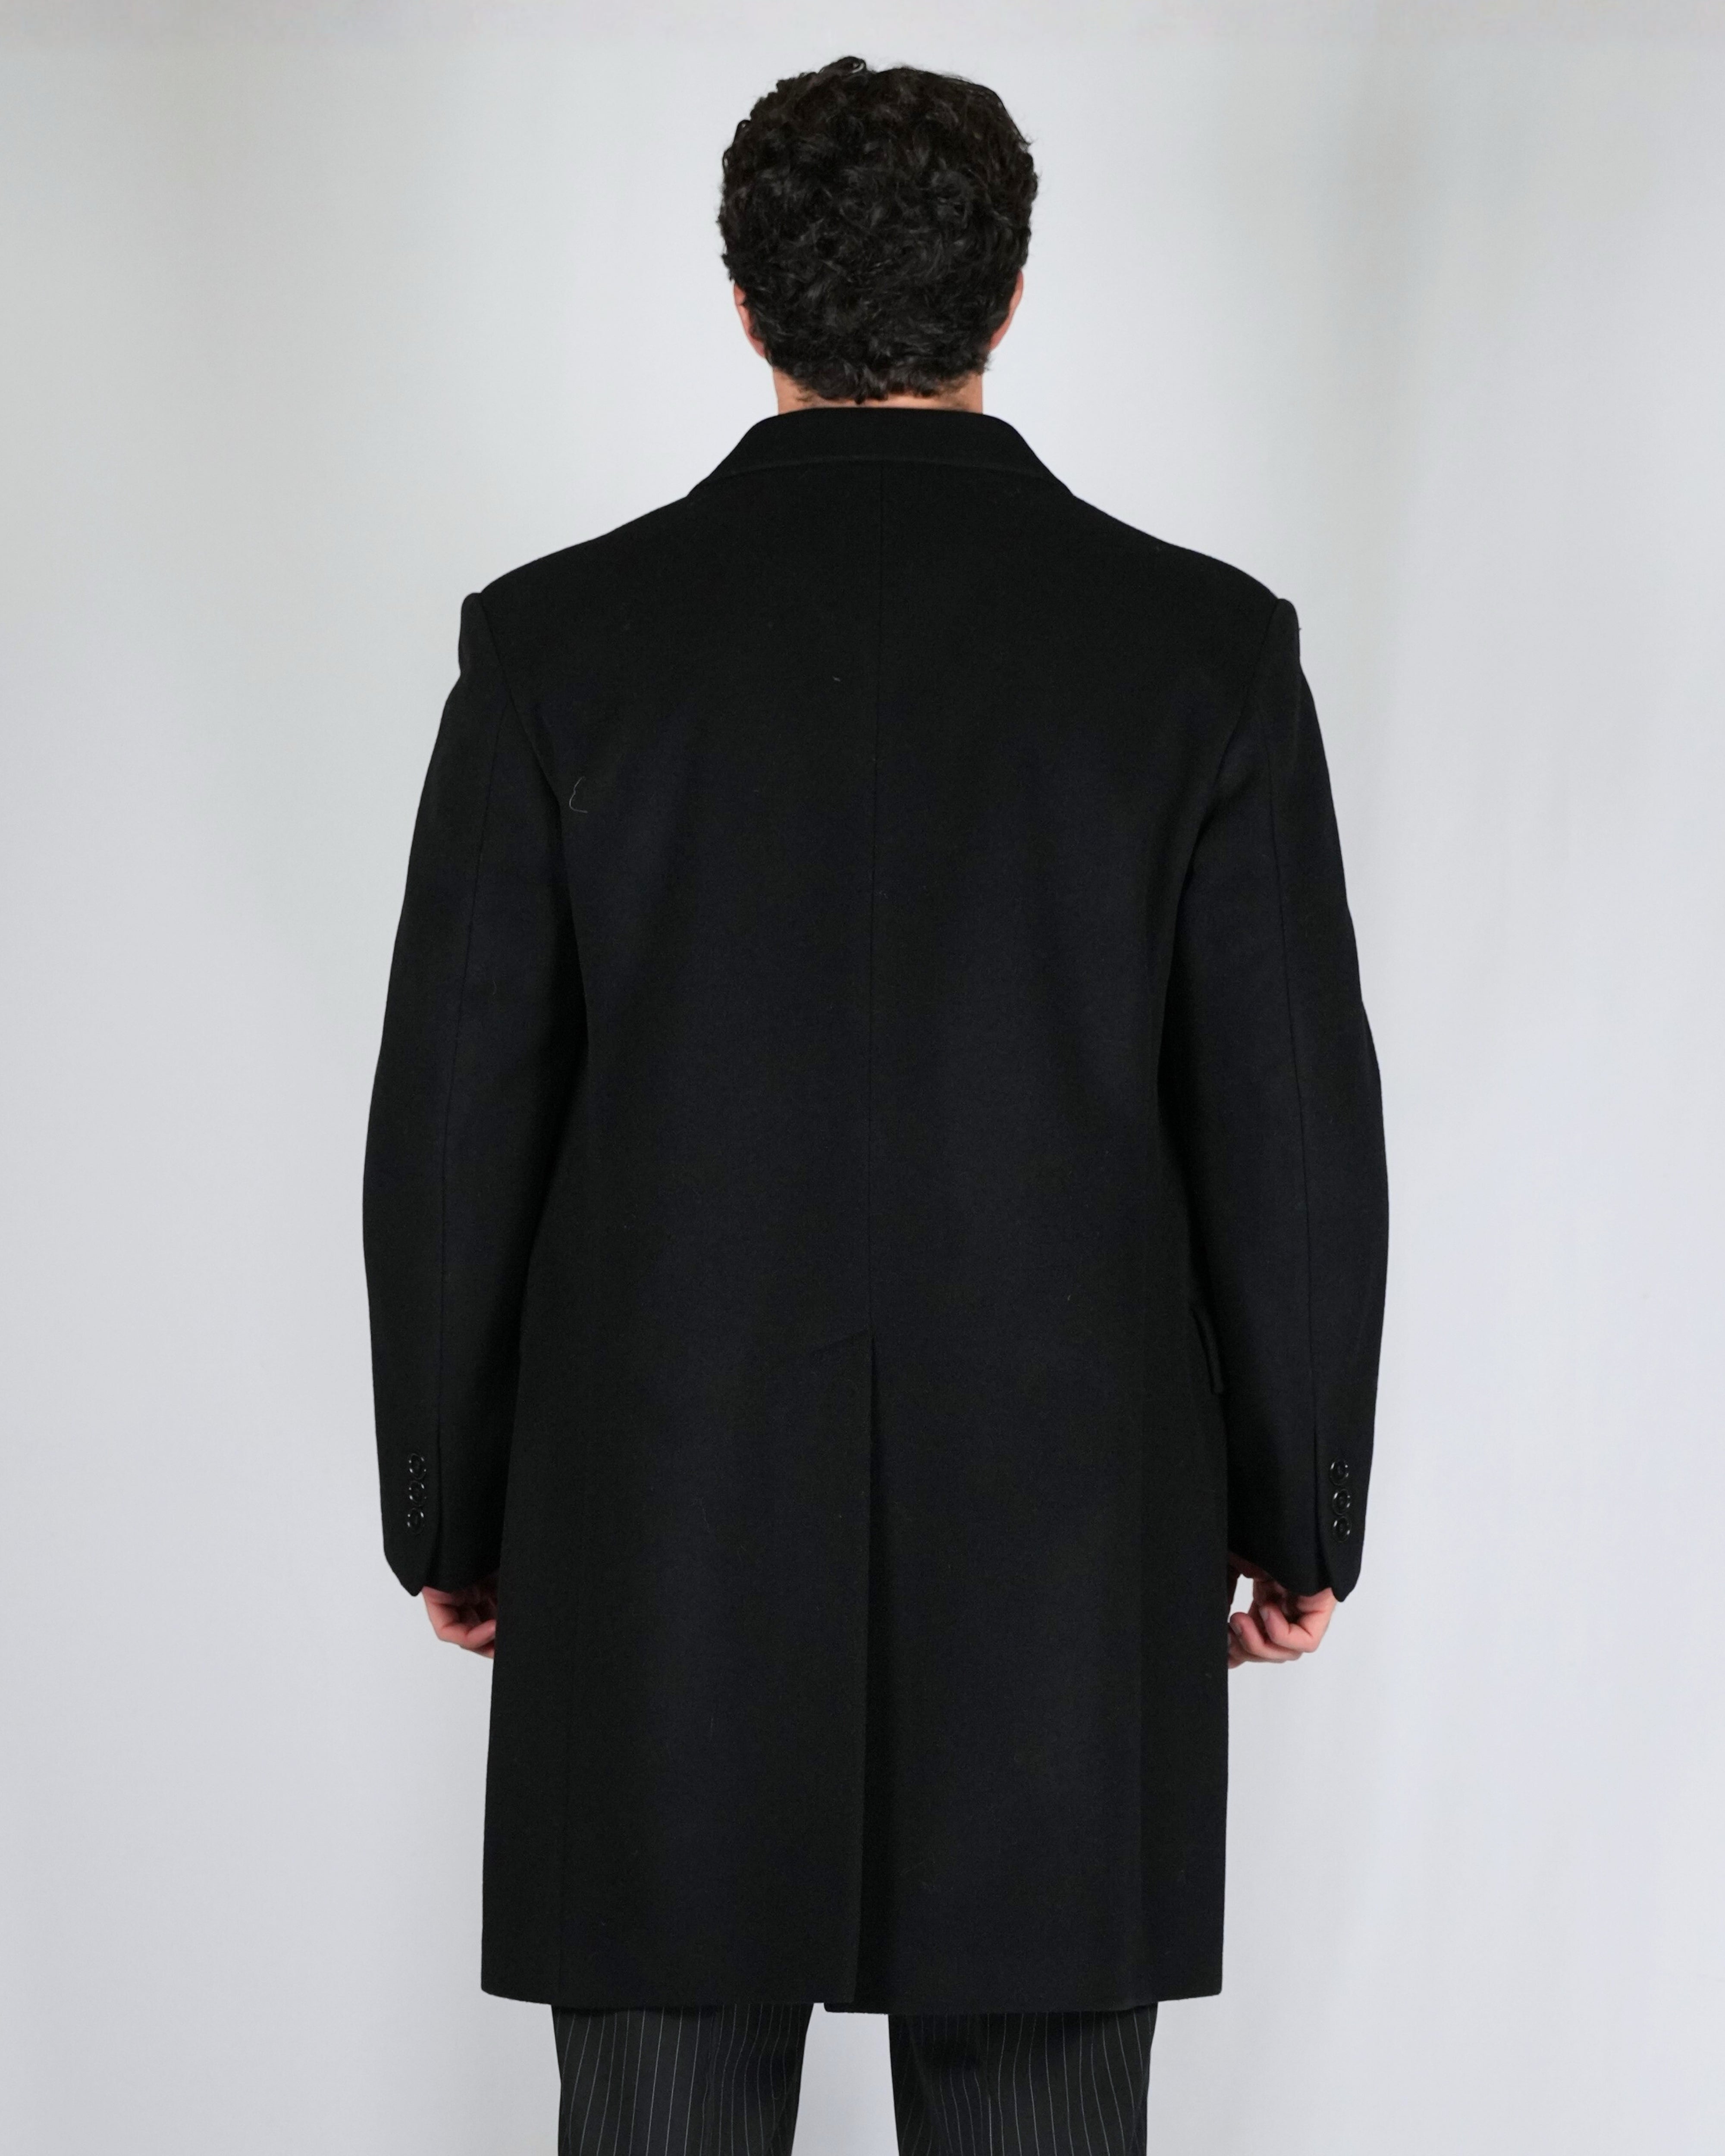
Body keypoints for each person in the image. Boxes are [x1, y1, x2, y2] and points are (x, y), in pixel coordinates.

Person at [363, 53, 1388, 2156]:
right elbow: (1283, 1127)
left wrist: (457, 1506)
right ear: (1009, 292)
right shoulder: (1198, 655)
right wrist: (1298, 1507)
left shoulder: (556, 647)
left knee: (656, 2101)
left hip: (652, 1535)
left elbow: (456, 1122)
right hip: (1064, 1555)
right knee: (1037, 2102)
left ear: (744, 300)